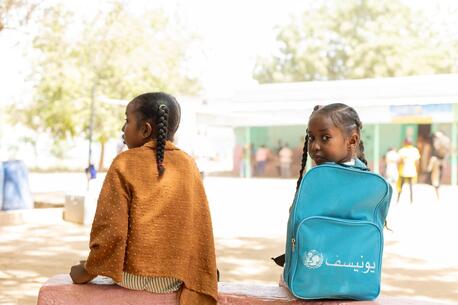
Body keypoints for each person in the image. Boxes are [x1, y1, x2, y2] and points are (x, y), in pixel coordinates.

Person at [69, 92, 218, 305]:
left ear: (145, 129)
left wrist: (88, 269)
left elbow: (111, 229)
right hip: (175, 278)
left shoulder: (124, 163)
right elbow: (200, 227)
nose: (123, 129)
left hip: (129, 277)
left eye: (127, 121)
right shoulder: (188, 164)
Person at [272, 103, 370, 268]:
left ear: (352, 140)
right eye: (311, 138)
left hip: (310, 275)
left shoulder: (317, 181)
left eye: (325, 138)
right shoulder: (369, 181)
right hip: (357, 276)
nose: (315, 146)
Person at [396, 138, 420, 204]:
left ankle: (398, 199)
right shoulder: (415, 150)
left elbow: (399, 161)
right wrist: (416, 170)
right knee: (411, 187)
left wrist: (398, 168)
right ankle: (411, 200)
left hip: (403, 171)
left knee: (400, 186)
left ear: (405, 142)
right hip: (412, 171)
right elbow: (417, 162)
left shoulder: (402, 150)